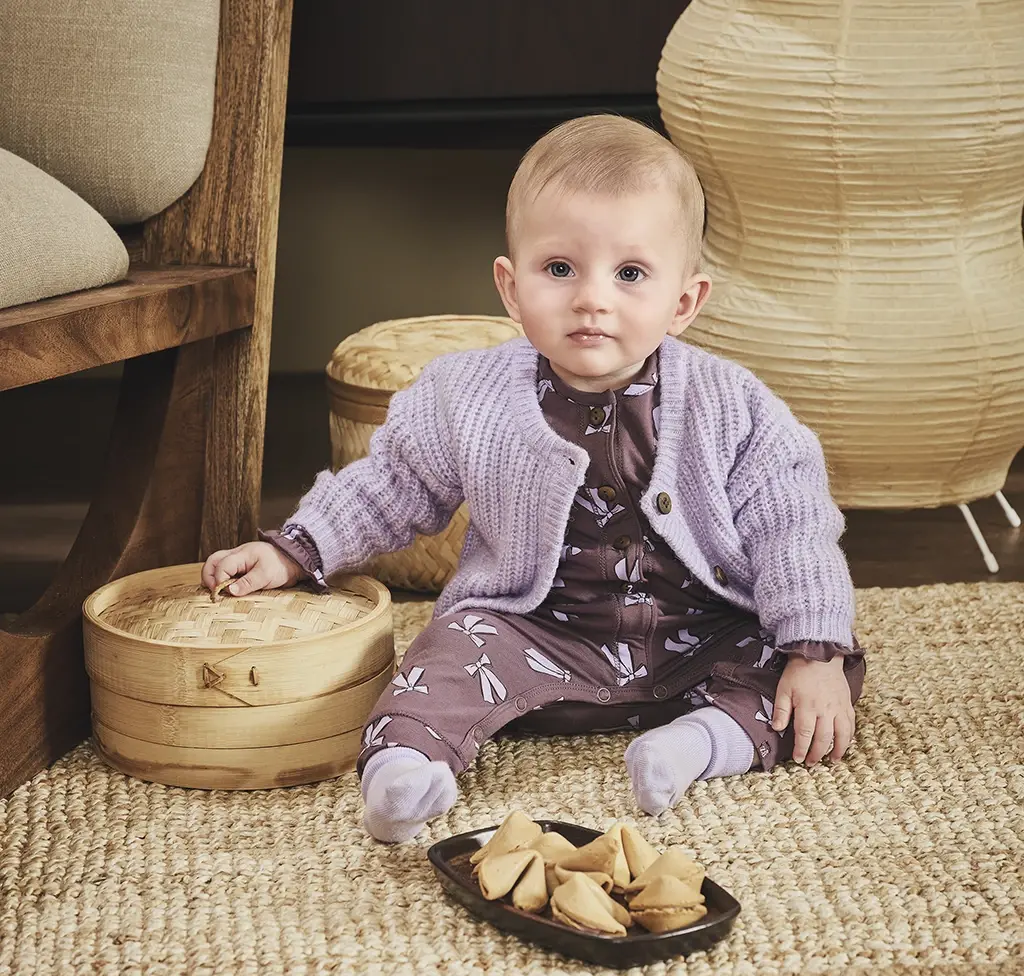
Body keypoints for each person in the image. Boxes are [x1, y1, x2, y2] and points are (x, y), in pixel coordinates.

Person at [202, 114, 865, 843]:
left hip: (700, 637)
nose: (592, 298)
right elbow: (392, 484)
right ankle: (404, 770)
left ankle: (698, 745)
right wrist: (297, 548)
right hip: (537, 637)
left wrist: (813, 648)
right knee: (444, 648)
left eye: (630, 274)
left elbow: (792, 525)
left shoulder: (734, 405)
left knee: (819, 672)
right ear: (511, 288)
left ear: (683, 302)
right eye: (560, 269)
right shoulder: (464, 394)